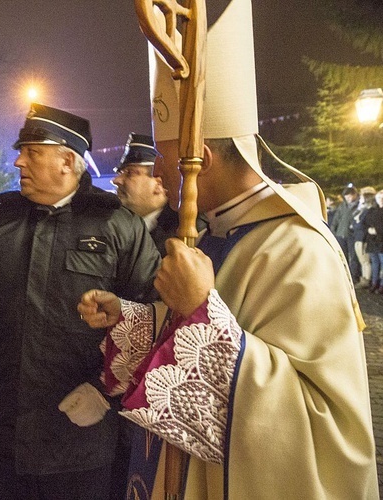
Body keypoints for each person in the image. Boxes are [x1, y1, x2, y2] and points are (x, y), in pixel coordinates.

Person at [78, 1, 377, 498]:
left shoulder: (298, 251)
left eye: (165, 164)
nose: (157, 178)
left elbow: (319, 423)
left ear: (203, 159)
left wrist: (199, 311)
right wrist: (138, 321)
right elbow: (206, 332)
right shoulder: (217, 234)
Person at [0, 102, 161, 500]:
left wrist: (104, 390)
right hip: (6, 440)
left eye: (31, 151)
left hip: (82, 446)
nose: (17, 161)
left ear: (67, 160)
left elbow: (153, 319)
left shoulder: (117, 226)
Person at [112, 132, 204, 256]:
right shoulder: (119, 225)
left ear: (158, 183)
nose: (116, 180)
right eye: (120, 172)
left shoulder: (186, 231)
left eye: (129, 173)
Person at [330, 185, 360, 282]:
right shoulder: (343, 205)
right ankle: (345, 276)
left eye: (350, 196)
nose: (348, 198)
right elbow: (336, 219)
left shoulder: (359, 205)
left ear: (355, 195)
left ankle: (354, 276)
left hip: (352, 235)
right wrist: (333, 231)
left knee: (353, 257)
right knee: (343, 256)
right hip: (340, 234)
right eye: (346, 196)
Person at [353, 186, 376, 288]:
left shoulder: (370, 210)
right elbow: (354, 223)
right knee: (362, 261)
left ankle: (366, 280)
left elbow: (360, 224)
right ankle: (364, 278)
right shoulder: (362, 209)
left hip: (363, 238)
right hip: (358, 237)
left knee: (365, 261)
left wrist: (357, 223)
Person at [363, 189, 383, 294]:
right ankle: (375, 283)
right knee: (375, 264)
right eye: (379, 197)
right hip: (373, 241)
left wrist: (377, 230)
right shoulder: (373, 210)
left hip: (381, 241)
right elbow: (365, 222)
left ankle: (381, 285)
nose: (381, 199)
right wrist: (369, 229)